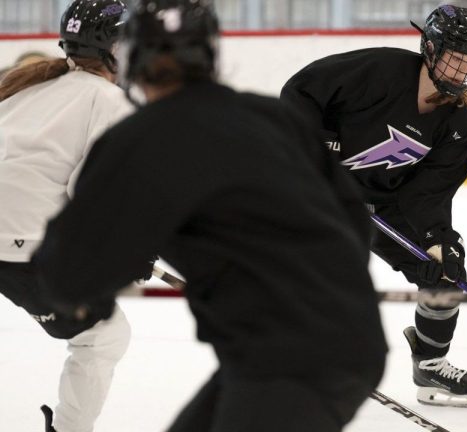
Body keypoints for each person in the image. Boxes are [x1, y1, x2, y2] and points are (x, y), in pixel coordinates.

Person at [32, 1, 388, 431]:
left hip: (289, 363)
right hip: (334, 340)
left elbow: (67, 275)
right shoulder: (272, 117)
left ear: (131, 59)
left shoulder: (138, 139)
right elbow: (355, 227)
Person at [281, 4, 467, 408]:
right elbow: (301, 92)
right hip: (320, 188)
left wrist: (437, 241)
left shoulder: (459, 123)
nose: (462, 70)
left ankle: (430, 366)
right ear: (430, 49)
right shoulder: (380, 70)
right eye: (455, 58)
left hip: (383, 201)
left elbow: (428, 193)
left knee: (445, 274)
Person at [0, 1, 134, 431]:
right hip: (22, 245)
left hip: (15, 237)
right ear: (113, 48)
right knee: (103, 337)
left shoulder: (25, 87)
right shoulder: (109, 101)